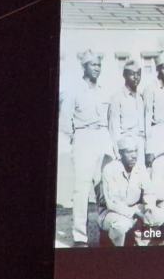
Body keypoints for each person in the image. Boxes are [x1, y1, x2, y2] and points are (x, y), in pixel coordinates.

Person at [60, 49, 112, 247]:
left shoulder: (104, 90)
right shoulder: (74, 90)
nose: (97, 68)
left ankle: (104, 227)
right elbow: (65, 122)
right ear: (84, 67)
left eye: (99, 64)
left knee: (103, 186)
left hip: (102, 136)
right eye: (93, 65)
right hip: (83, 137)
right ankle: (80, 236)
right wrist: (76, 139)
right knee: (81, 189)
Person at [98, 135, 152, 246]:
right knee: (122, 224)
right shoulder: (110, 169)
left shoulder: (140, 167)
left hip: (135, 207)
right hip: (112, 212)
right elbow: (112, 203)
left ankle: (142, 245)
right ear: (120, 153)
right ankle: (114, 246)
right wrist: (136, 213)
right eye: (129, 152)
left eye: (136, 151)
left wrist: (149, 208)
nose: (134, 156)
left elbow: (149, 192)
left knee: (155, 215)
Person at [108, 58, 146, 163]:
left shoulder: (141, 98)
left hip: (141, 145)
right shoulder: (117, 98)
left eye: (138, 74)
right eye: (132, 74)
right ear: (124, 75)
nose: (136, 77)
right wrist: (118, 153)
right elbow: (113, 128)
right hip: (126, 146)